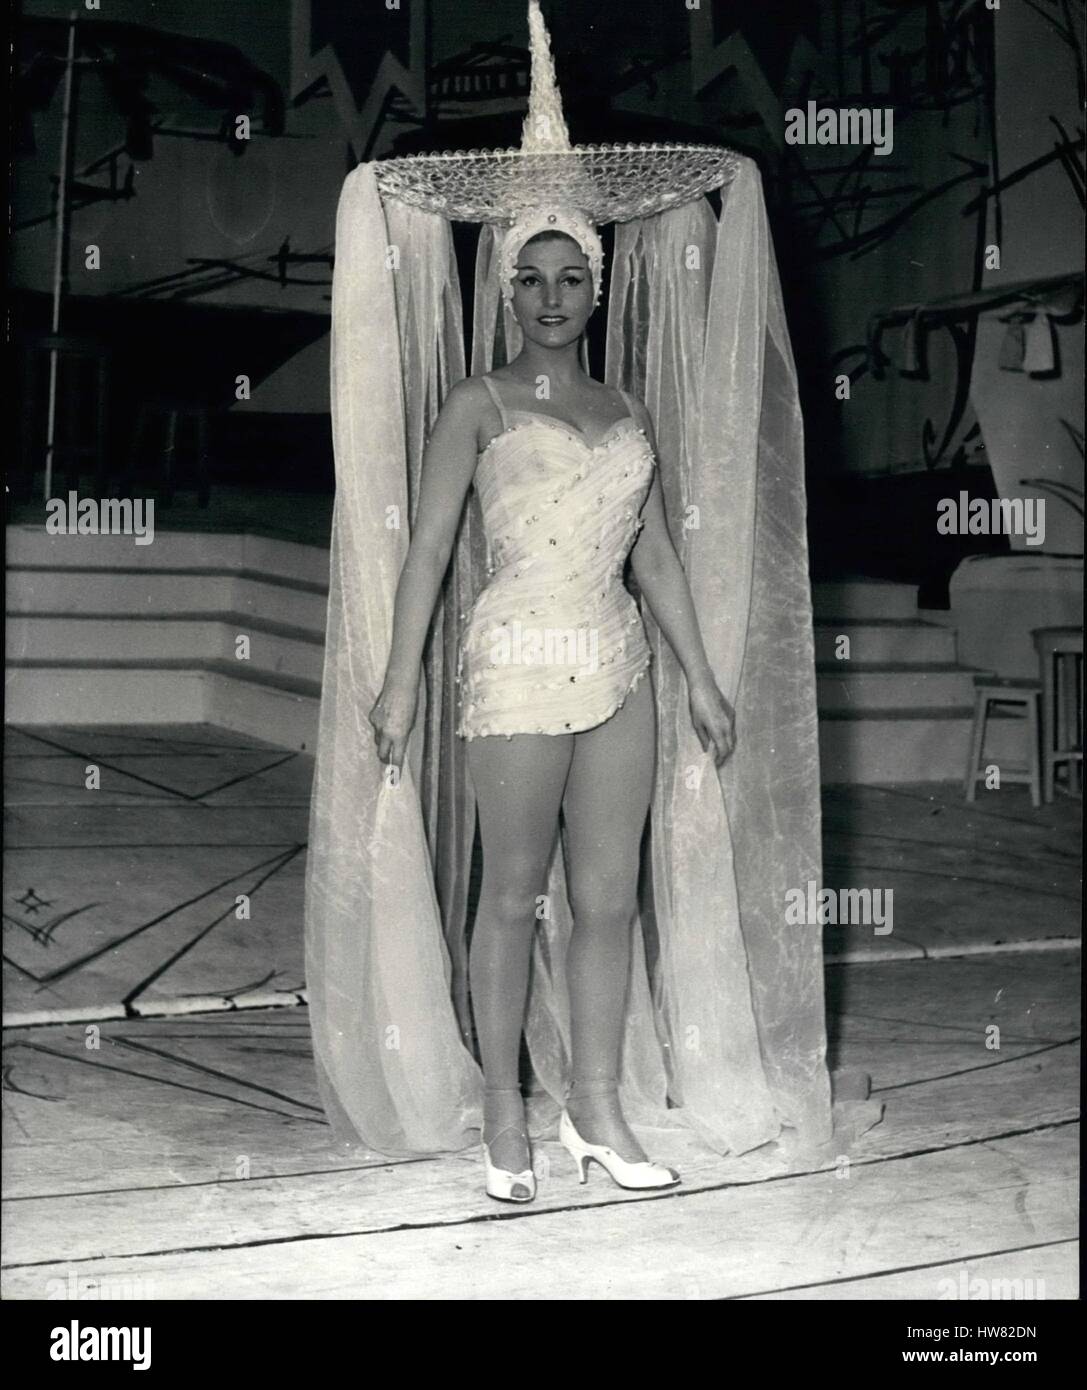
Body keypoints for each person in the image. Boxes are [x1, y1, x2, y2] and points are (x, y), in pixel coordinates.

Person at [369, 220, 737, 1201]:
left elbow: (653, 552)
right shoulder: (476, 404)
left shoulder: (626, 409)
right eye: (530, 278)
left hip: (618, 664)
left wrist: (698, 675)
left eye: (571, 277)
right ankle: (501, 1107)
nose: (550, 295)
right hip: (518, 664)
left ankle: (596, 1106)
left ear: (596, 291)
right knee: (511, 892)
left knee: (610, 901)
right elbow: (431, 548)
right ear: (506, 292)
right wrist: (400, 678)